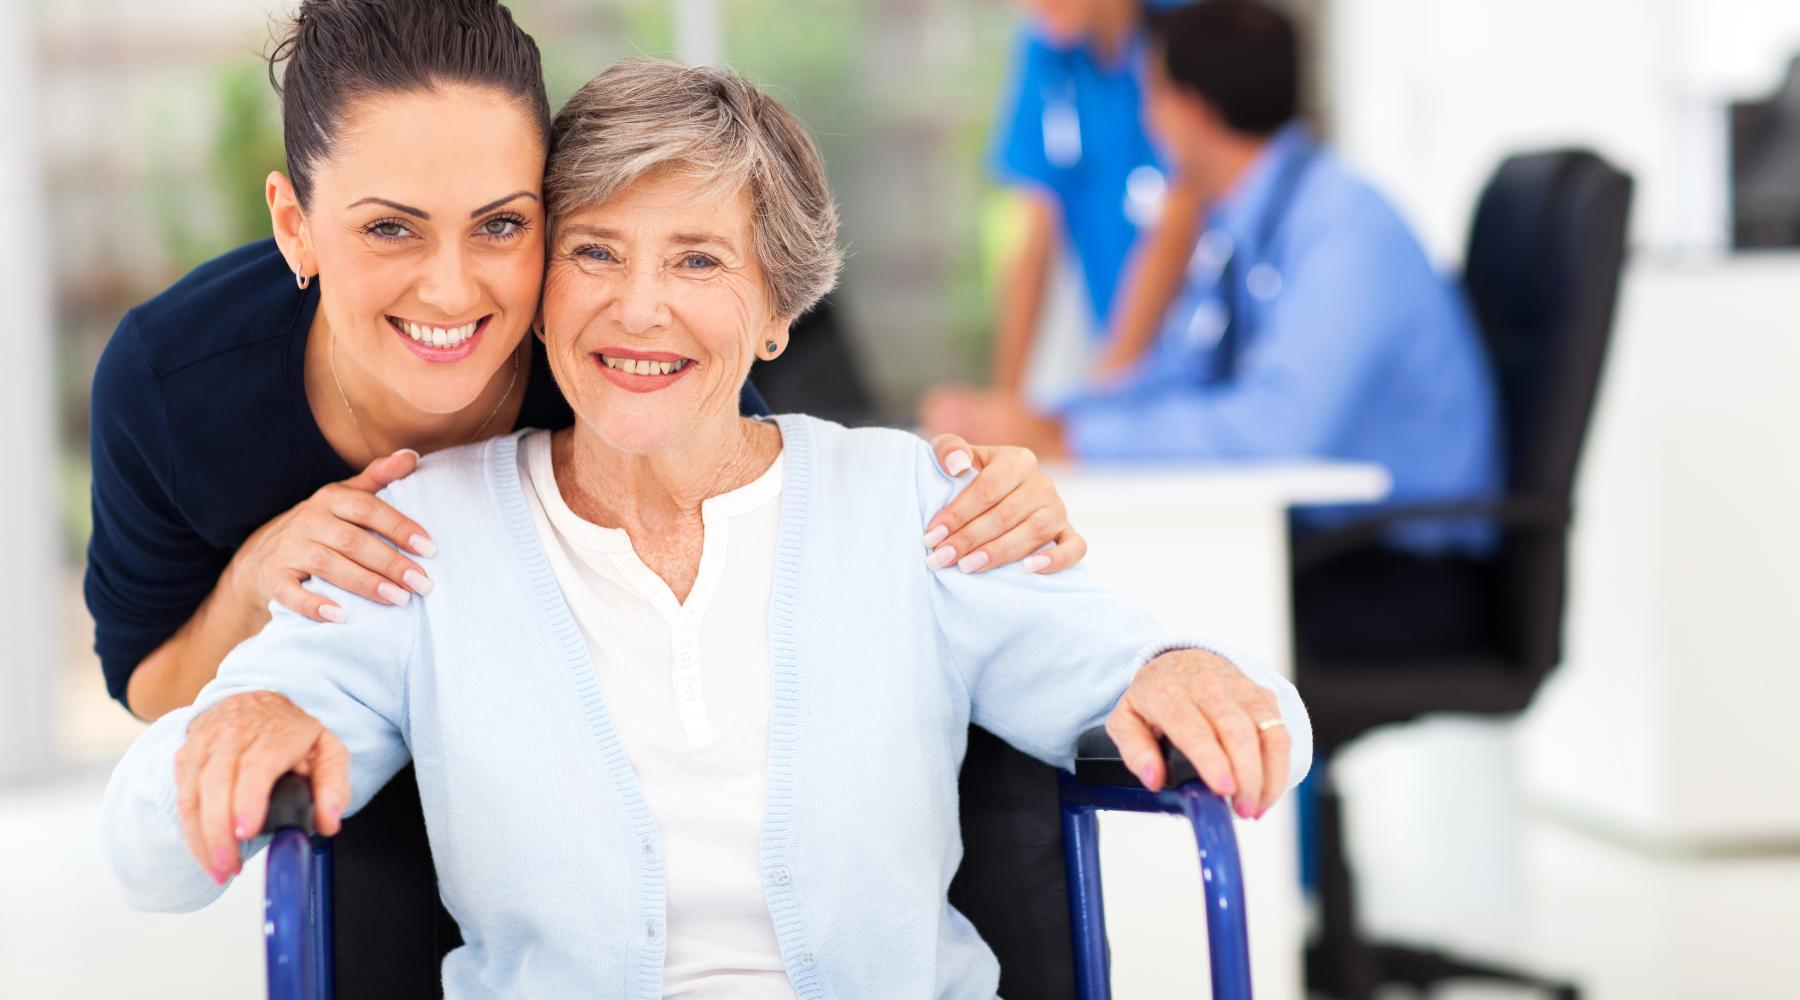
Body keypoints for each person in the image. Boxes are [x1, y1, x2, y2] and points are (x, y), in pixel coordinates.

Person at [102, 58, 1312, 998]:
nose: (640, 307)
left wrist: (1182, 669)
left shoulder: (911, 508)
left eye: (697, 259)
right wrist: (240, 721)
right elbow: (149, 845)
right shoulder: (426, 536)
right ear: (540, 295)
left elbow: (1253, 720)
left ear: (777, 312)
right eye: (595, 252)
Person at [925, 0, 1503, 571]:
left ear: (1193, 111)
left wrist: (1074, 440)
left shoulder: (1344, 229)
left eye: (1153, 99)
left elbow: (1273, 429)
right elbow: (1182, 371)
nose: (1149, 123)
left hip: (1404, 562)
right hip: (1332, 541)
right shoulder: (1248, 223)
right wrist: (1036, 418)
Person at [974, 0, 1205, 401]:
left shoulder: (1187, 30)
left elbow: (1180, 217)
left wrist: (1109, 388)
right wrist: (1005, 404)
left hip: (1195, 354)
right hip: (1116, 357)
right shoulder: (1046, 49)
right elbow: (1035, 233)